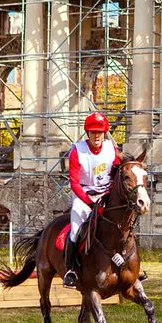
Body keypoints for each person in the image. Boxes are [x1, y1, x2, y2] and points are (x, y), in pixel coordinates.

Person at [64, 111, 122, 289]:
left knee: (123, 226)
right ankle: (71, 271)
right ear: (87, 133)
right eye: (93, 132)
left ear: (104, 133)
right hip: (84, 197)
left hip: (105, 195)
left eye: (99, 132)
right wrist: (90, 203)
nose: (96, 136)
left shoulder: (112, 150)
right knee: (75, 230)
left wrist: (110, 196)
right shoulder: (77, 151)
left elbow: (118, 175)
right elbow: (74, 182)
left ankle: (128, 267)